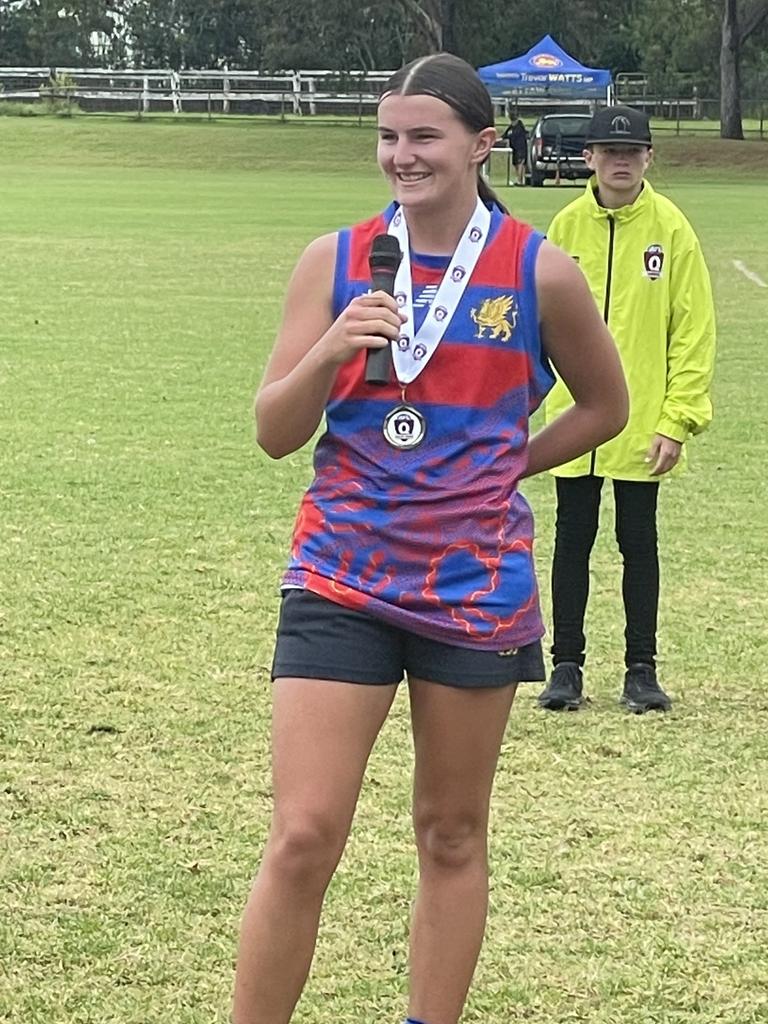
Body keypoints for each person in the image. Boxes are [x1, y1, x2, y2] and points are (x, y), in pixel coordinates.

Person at [234, 54, 628, 1024]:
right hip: (339, 576)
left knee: (451, 833)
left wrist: (510, 464)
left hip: (472, 589)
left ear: (481, 145)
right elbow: (275, 431)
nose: (400, 157)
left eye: (423, 137)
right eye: (387, 137)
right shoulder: (333, 261)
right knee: (302, 834)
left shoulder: (541, 270)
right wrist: (331, 348)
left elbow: (608, 406)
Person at [537, 104, 716, 714]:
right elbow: (535, 324)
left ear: (648, 158)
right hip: (572, 417)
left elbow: (692, 330)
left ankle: (642, 669)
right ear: (587, 157)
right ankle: (566, 667)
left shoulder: (671, 229)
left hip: (642, 421)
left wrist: (678, 419)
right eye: (609, 151)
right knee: (572, 540)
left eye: (632, 151)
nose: (620, 161)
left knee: (638, 542)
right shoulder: (564, 227)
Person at [501, 112, 528, 185]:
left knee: (520, 163)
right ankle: (519, 180)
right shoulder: (511, 127)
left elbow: (515, 135)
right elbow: (505, 135)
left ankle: (520, 181)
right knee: (516, 164)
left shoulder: (520, 127)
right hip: (514, 149)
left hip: (521, 148)